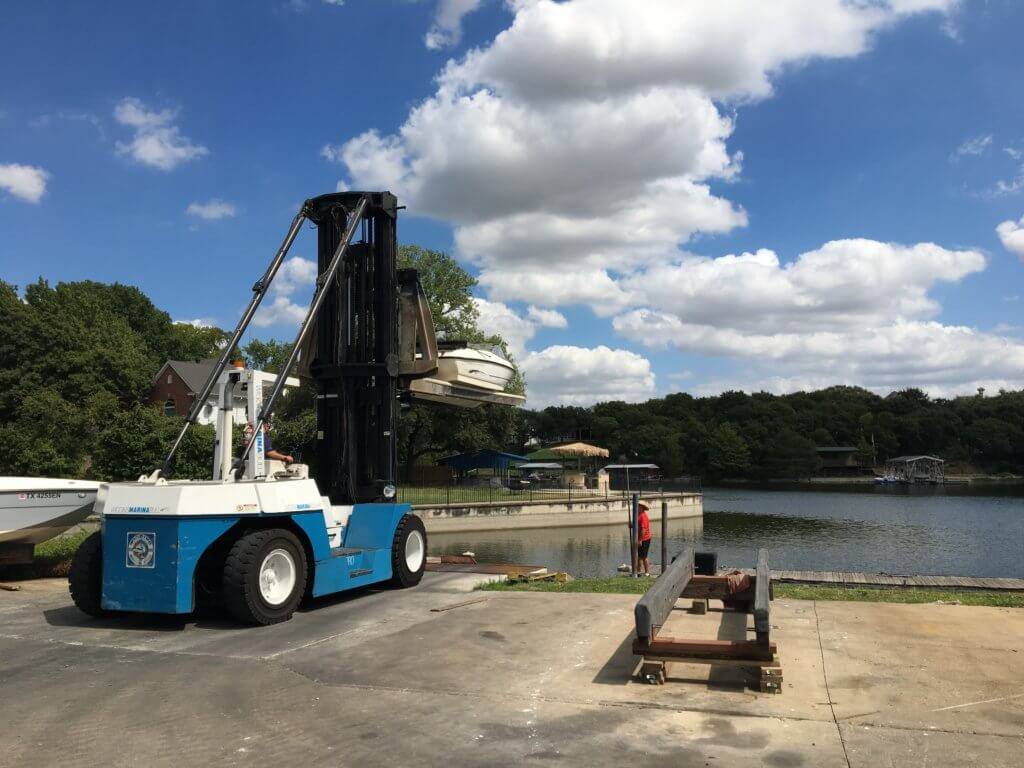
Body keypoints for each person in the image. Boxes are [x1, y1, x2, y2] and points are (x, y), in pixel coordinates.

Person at [636, 500, 653, 576]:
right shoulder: (638, 515)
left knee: (644, 556)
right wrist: (632, 525)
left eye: (638, 506)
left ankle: (647, 572)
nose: (637, 507)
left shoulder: (643, 516)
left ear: (642, 507)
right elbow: (637, 524)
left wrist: (640, 540)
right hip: (639, 538)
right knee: (639, 556)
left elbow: (643, 529)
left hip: (645, 539)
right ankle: (638, 571)